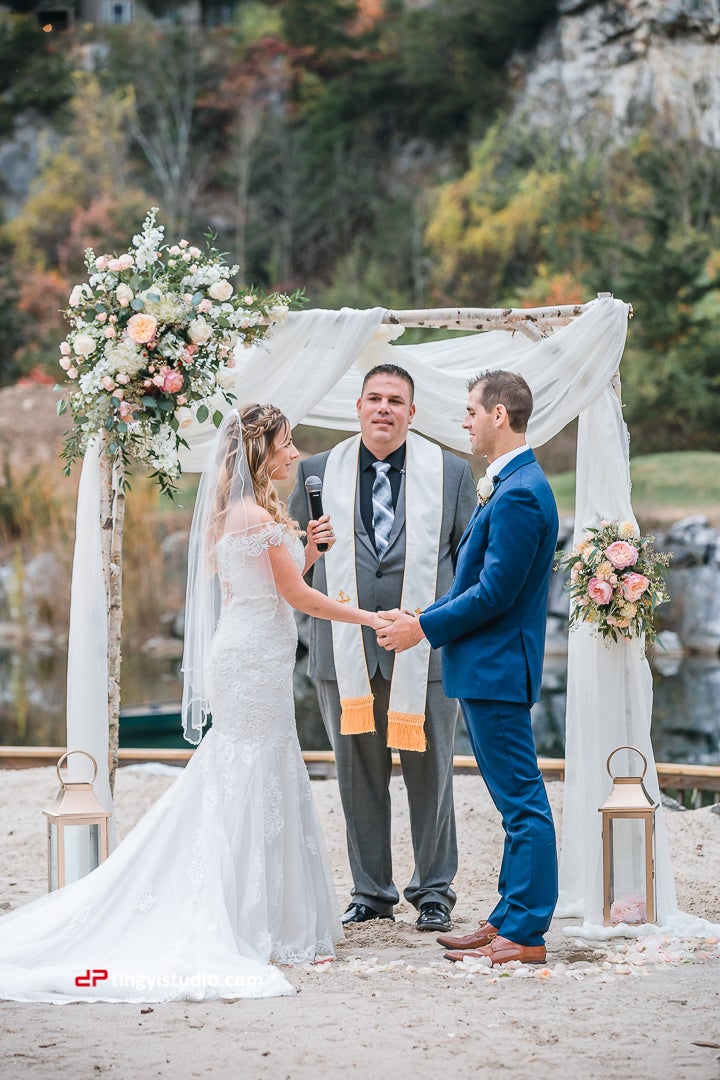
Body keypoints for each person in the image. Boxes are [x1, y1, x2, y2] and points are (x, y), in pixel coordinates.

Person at [0, 405, 388, 1003]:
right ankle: (248, 916)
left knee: (251, 771)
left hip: (251, 652)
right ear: (260, 450)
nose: (293, 453)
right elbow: (299, 599)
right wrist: (369, 617)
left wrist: (307, 549)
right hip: (253, 660)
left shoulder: (238, 512)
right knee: (251, 771)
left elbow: (271, 583)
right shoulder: (253, 515)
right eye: (285, 443)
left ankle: (259, 913)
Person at [377, 370, 559, 966]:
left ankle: (526, 931)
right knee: (512, 803)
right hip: (486, 668)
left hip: (497, 669)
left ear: (499, 414)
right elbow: (473, 586)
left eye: (472, 412)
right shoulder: (509, 485)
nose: (465, 422)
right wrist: (423, 615)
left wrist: (422, 629)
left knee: (522, 802)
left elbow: (494, 594)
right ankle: (506, 916)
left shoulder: (521, 492)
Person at [288, 364, 476, 933]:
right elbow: (293, 565)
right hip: (342, 651)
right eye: (374, 398)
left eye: (396, 400)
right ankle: (371, 891)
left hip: (426, 651)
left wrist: (435, 624)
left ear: (412, 413)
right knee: (356, 777)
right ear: (358, 406)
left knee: (432, 775)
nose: (384, 409)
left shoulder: (451, 473)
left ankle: (434, 892)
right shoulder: (316, 472)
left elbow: (469, 566)